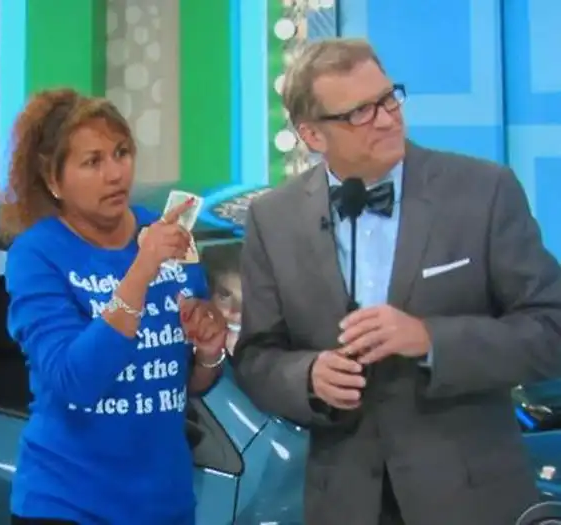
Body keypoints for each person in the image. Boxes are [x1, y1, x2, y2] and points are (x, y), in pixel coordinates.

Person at [231, 38, 561, 525]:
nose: (387, 119)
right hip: (344, 503)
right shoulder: (272, 219)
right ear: (313, 135)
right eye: (360, 112)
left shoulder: (483, 191)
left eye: (388, 99)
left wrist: (430, 339)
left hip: (470, 498)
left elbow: (551, 329)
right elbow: (256, 357)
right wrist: (308, 377)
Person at [0, 89, 228, 525]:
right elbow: (74, 381)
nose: (115, 174)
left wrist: (208, 353)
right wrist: (141, 269)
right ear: (53, 179)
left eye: (121, 153)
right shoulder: (36, 255)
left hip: (165, 504)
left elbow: (181, 384)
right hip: (69, 504)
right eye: (93, 162)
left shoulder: (164, 233)